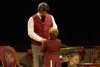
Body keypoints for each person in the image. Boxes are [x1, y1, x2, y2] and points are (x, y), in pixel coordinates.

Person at [27, 2, 58, 67]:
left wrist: (51, 37)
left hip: (48, 44)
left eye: (45, 12)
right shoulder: (32, 19)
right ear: (39, 11)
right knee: (37, 63)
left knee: (47, 63)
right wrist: (41, 39)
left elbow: (55, 28)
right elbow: (30, 32)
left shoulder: (51, 17)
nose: (44, 14)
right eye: (42, 13)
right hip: (36, 45)